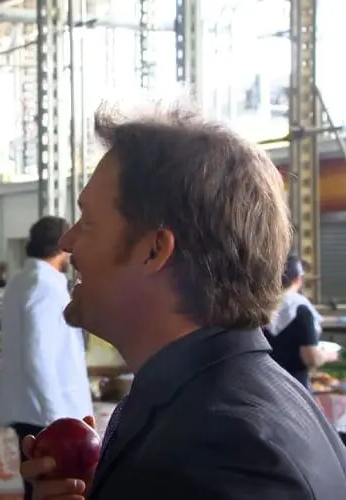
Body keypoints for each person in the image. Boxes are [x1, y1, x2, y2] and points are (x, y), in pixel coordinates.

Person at [20, 105, 346, 500]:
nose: (67, 242)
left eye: (87, 222)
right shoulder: (224, 407)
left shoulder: (221, 450)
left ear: (155, 250)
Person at [0, 216, 93, 500]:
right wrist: (57, 417)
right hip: (44, 414)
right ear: (61, 248)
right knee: (55, 491)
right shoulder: (43, 287)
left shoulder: (22, 281)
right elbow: (38, 358)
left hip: (30, 409)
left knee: (39, 489)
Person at [264, 254, 340, 389]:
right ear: (299, 279)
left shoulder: (260, 306)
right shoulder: (301, 309)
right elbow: (311, 358)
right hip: (295, 388)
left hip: (266, 385)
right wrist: (329, 355)